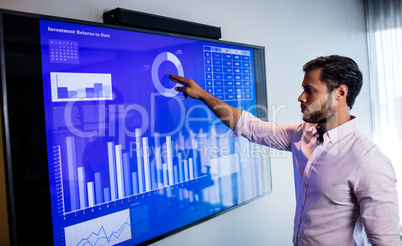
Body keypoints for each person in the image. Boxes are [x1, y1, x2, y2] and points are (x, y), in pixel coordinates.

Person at [169, 55, 400, 246]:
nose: (301, 97)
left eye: (310, 90)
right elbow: (248, 126)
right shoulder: (302, 135)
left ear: (340, 93)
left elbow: (384, 242)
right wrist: (202, 95)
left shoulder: (369, 161)